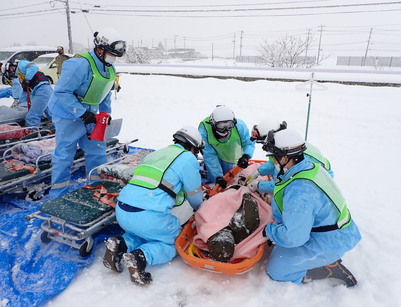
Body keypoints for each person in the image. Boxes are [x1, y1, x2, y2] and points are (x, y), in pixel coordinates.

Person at [102, 126, 205, 285]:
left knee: (142, 233)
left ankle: (120, 244)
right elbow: (195, 195)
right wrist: (202, 208)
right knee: (174, 241)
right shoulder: (187, 158)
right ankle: (140, 258)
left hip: (123, 211)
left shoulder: (156, 154)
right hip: (148, 216)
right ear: (193, 147)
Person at [260, 128, 361, 287]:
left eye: (274, 157)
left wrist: (269, 231)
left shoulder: (300, 192)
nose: (272, 162)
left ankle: (326, 268)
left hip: (328, 242)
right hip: (338, 232)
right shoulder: (310, 167)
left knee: (276, 270)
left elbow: (294, 238)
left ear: (285, 158)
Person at [48, 29, 126, 199]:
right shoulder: (79, 65)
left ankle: (97, 188)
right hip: (67, 115)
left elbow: (105, 94)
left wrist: (105, 115)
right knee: (64, 156)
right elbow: (61, 92)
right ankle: (57, 195)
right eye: (111, 54)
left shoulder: (109, 68)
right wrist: (82, 113)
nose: (113, 58)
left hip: (91, 115)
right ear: (100, 49)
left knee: (97, 151)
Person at [246, 119, 334, 194]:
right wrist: (258, 172)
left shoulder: (296, 157)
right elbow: (274, 163)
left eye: (264, 143)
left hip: (318, 185)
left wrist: (259, 185)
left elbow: (285, 183)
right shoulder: (287, 146)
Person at [198, 105, 255, 188]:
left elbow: (249, 143)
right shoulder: (204, 130)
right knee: (215, 179)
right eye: (221, 126)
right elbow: (209, 154)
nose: (225, 129)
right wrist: (218, 176)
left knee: (232, 177)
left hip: (231, 155)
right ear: (213, 123)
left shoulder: (240, 126)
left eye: (229, 125)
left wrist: (246, 156)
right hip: (215, 155)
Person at [2, 61, 52, 127]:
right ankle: (57, 125)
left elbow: (33, 67)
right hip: (38, 90)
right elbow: (24, 93)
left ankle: (32, 131)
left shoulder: (21, 64)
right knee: (49, 112)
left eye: (9, 72)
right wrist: (19, 103)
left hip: (42, 90)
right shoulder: (20, 77)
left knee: (32, 116)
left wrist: (27, 79)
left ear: (11, 67)